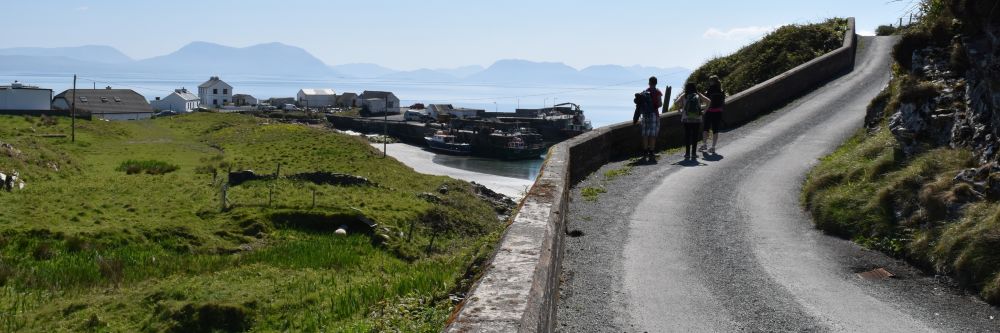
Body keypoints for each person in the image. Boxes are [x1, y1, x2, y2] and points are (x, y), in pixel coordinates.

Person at [675, 83, 710, 160]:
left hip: (686, 118)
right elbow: (708, 101)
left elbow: (676, 102)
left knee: (687, 136)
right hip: (697, 118)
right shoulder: (698, 94)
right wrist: (704, 112)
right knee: (695, 136)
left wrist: (679, 111)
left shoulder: (684, 95)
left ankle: (687, 154)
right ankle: (694, 154)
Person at [633, 76, 663, 160]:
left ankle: (645, 152)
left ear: (649, 83)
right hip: (654, 114)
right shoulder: (658, 92)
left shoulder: (645, 92)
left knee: (645, 134)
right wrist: (654, 106)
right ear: (656, 83)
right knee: (652, 134)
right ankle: (651, 152)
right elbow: (660, 104)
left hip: (645, 115)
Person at [700, 75, 726, 154]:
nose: (709, 82)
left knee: (705, 129)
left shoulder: (710, 90)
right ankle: (713, 147)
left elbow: (706, 101)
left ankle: (704, 145)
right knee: (715, 130)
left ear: (712, 81)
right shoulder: (721, 90)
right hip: (718, 112)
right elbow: (723, 102)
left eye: (710, 81)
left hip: (709, 111)